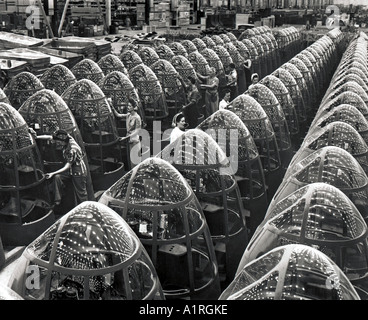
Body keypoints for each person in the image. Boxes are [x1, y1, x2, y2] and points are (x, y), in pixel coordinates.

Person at [37, 129, 88, 207]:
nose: (56, 143)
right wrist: (36, 137)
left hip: (78, 171)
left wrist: (52, 173)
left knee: (81, 194)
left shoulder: (72, 150)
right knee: (57, 178)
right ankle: (57, 201)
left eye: (57, 142)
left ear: (62, 142)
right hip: (70, 170)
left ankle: (85, 208)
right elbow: (50, 137)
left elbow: (67, 166)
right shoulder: (67, 138)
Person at [112, 100, 142, 168]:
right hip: (129, 141)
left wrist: (126, 138)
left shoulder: (137, 117)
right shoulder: (128, 115)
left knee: (135, 163)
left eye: (130, 106)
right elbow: (118, 115)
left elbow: (137, 131)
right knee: (131, 163)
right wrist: (112, 107)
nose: (128, 107)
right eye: (128, 106)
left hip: (135, 142)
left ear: (134, 107)